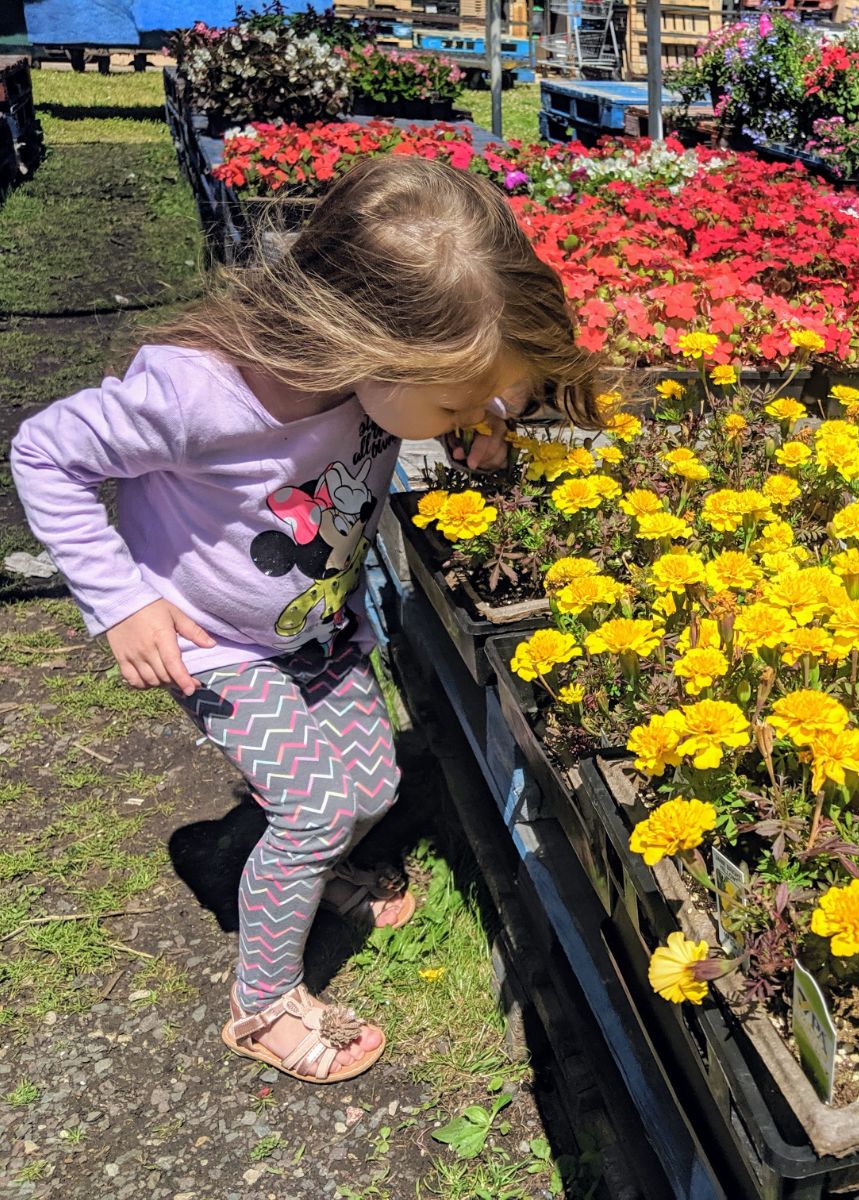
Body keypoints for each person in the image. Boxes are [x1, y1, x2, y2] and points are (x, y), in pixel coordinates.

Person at [10, 155, 603, 1084]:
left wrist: (483, 416)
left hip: (317, 633)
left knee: (368, 783)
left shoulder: (377, 378)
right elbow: (46, 454)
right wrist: (122, 601)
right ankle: (263, 1004)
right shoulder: (198, 399)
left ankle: (292, 866)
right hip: (216, 646)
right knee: (320, 802)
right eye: (452, 400)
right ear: (369, 341)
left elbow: (455, 390)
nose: (461, 415)